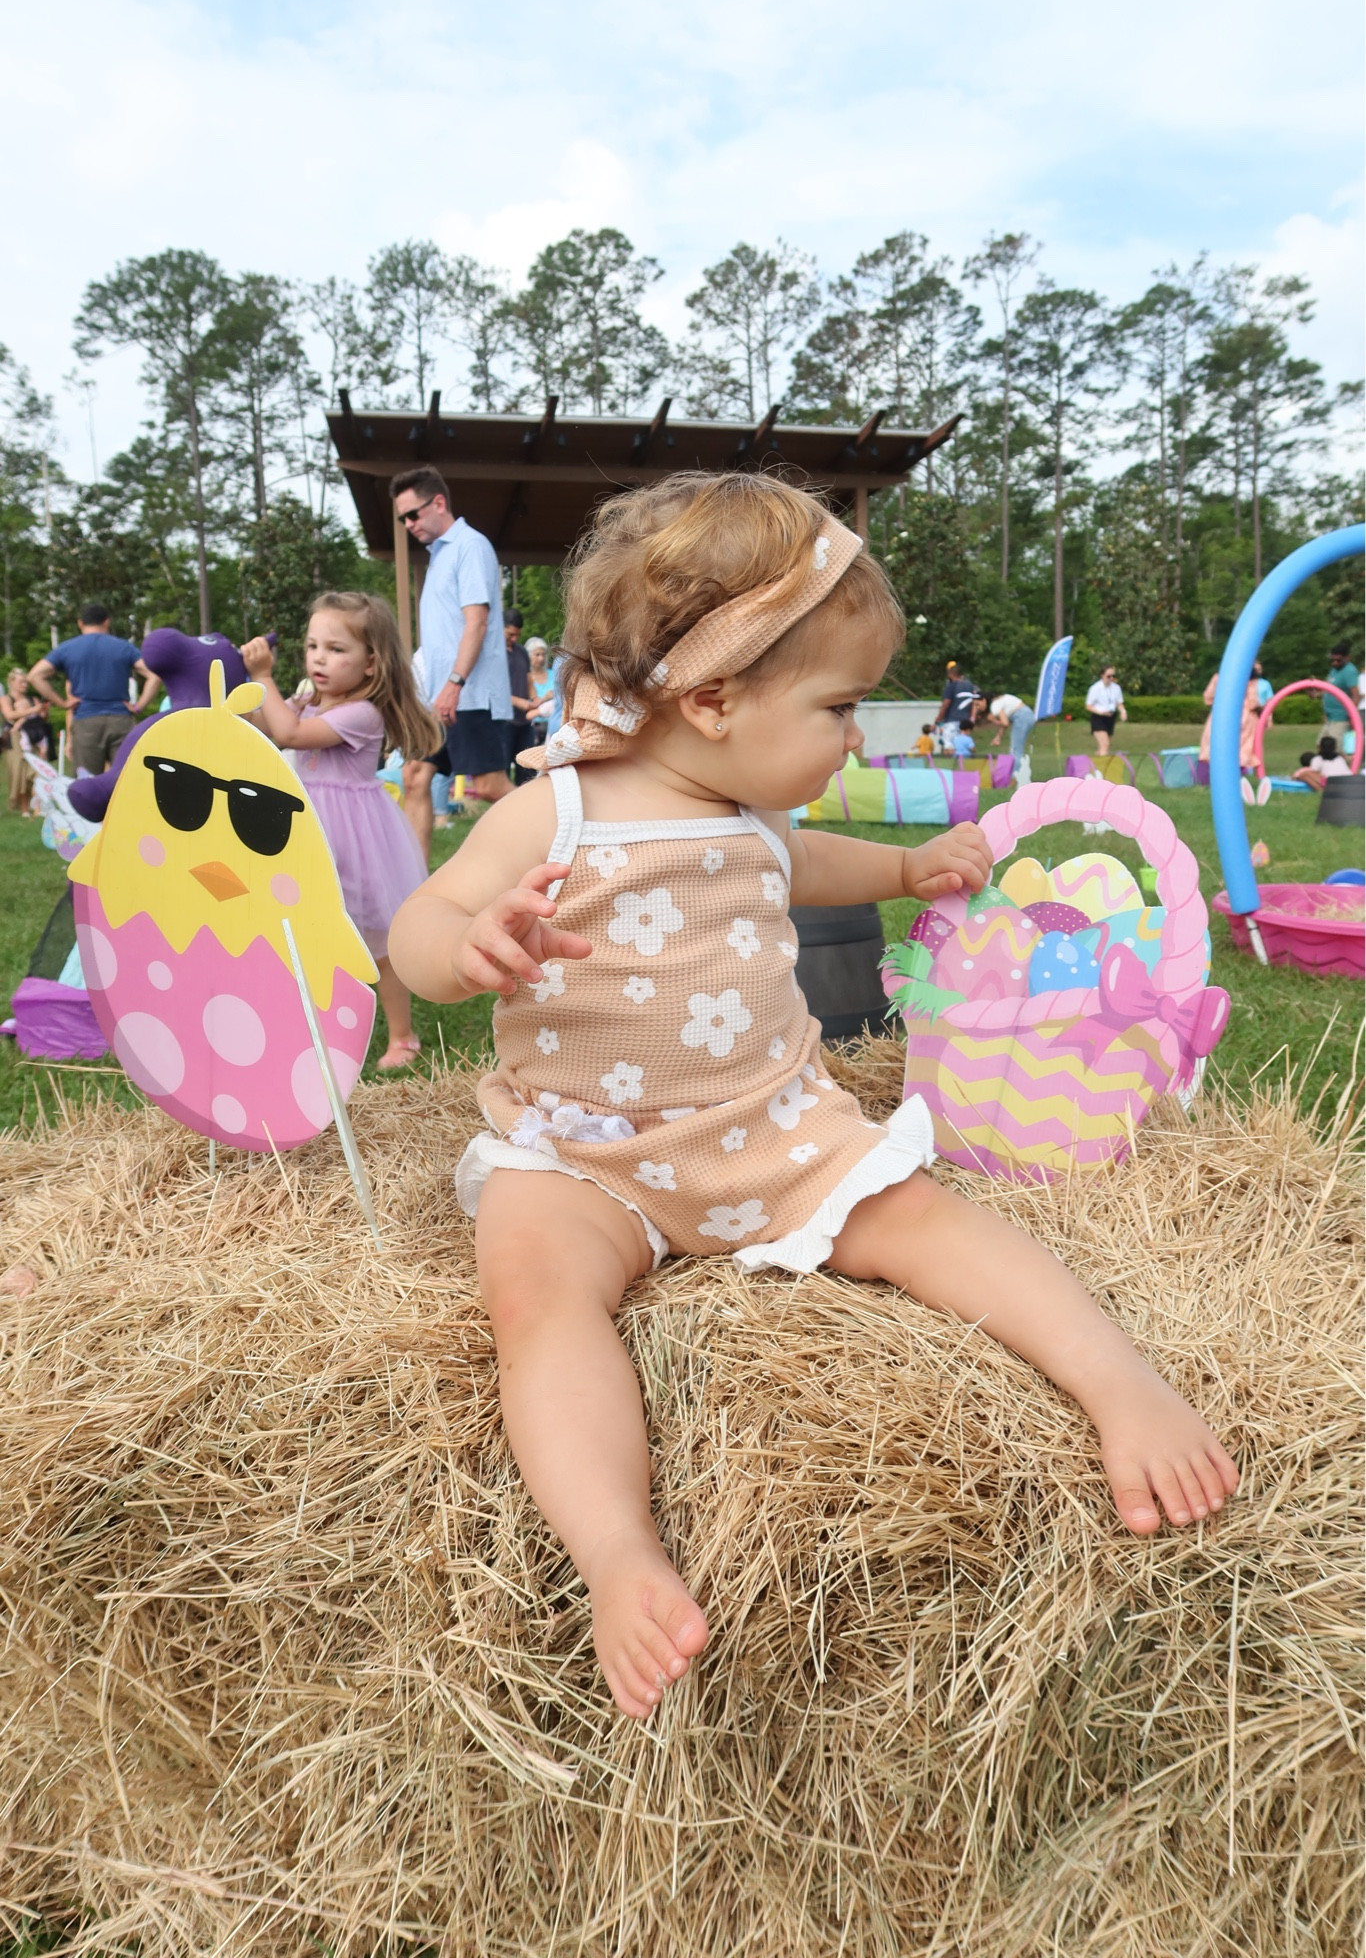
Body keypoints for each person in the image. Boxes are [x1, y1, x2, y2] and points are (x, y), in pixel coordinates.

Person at [388, 472, 1239, 1722]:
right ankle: (617, 1548)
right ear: (715, 694)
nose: (855, 734)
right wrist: (463, 947)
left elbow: (816, 864)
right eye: (839, 705)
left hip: (773, 1134)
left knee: (931, 1216)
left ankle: (1116, 1381)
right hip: (585, 1154)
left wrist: (905, 863)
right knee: (536, 1291)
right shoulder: (553, 809)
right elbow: (419, 915)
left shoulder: (751, 820)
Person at [242, 593, 443, 1072]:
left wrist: (263, 678)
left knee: (376, 940)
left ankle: (402, 1036)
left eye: (336, 649)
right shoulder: (307, 700)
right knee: (305, 933)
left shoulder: (362, 714)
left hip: (354, 837)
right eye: (313, 646)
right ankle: (314, 1031)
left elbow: (289, 735)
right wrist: (247, 701)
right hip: (306, 831)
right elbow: (267, 730)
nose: (318, 658)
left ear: (371, 663)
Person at [390, 467, 513, 859]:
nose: (408, 524)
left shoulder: (469, 546)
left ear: (438, 503)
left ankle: (565, 838)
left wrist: (454, 683)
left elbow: (477, 623)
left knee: (492, 786)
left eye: (412, 514)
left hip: (469, 696)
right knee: (414, 776)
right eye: (402, 518)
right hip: (440, 699)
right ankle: (412, 884)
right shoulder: (439, 555)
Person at [28, 603, 159, 775]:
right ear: (106, 622)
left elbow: (35, 675)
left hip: (86, 721)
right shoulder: (123, 647)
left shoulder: (68, 648)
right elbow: (154, 675)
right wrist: (138, 706)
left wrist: (63, 703)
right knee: (125, 779)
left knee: (87, 782)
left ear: (80, 623)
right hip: (120, 720)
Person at [2, 669, 46, 813]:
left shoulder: (33, 699)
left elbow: (42, 717)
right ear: (12, 682)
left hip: (32, 737)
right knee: (18, 772)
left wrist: (42, 711)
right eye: (21, 681)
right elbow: (9, 714)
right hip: (14, 739)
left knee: (35, 772)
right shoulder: (5, 699)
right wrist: (32, 710)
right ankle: (24, 808)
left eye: (25, 681)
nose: (24, 685)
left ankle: (37, 808)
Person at [503, 608, 537, 786]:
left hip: (524, 723)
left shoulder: (522, 651)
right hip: (503, 723)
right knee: (503, 772)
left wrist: (534, 697)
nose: (514, 639)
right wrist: (519, 702)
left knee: (527, 771)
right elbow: (495, 692)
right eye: (510, 634)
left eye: (517, 635)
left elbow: (528, 677)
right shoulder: (494, 655)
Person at [1199, 671, 1260, 769]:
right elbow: (1253, 702)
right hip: (1244, 715)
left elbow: (1208, 697)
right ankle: (1237, 773)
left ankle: (1215, 771)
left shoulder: (1219, 677)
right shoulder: (1250, 681)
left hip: (1221, 714)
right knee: (1242, 747)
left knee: (1216, 743)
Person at [1322, 644, 1360, 753]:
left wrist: (1352, 716)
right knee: (1321, 745)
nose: (1334, 663)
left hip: (1341, 717)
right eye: (1332, 660)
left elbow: (1355, 695)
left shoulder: (1349, 671)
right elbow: (1330, 689)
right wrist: (1316, 694)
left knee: (1334, 749)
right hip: (1330, 717)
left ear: (1347, 658)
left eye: (1338, 660)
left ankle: (1346, 769)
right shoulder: (1334, 670)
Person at [1084, 666, 1126, 756]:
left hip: (1110, 717)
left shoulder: (1116, 688)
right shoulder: (1095, 688)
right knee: (1105, 744)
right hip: (1099, 717)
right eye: (1108, 676)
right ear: (1102, 675)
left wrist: (1123, 711)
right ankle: (1102, 768)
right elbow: (1088, 706)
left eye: (1113, 676)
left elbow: (1119, 703)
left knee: (1103, 746)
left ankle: (1094, 766)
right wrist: (1101, 712)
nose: (1111, 678)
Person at [986, 691, 1036, 764]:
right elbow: (1005, 723)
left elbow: (1005, 723)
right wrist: (998, 737)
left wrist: (994, 720)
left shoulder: (994, 704)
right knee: (1017, 748)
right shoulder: (1004, 697)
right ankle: (1018, 771)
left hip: (1020, 717)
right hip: (1029, 714)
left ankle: (1015, 773)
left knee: (1015, 750)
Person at [934, 661, 978, 738]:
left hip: (952, 721)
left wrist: (938, 719)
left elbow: (946, 704)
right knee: (962, 747)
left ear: (951, 673)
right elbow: (974, 703)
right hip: (966, 724)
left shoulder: (951, 686)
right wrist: (972, 719)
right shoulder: (970, 685)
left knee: (950, 748)